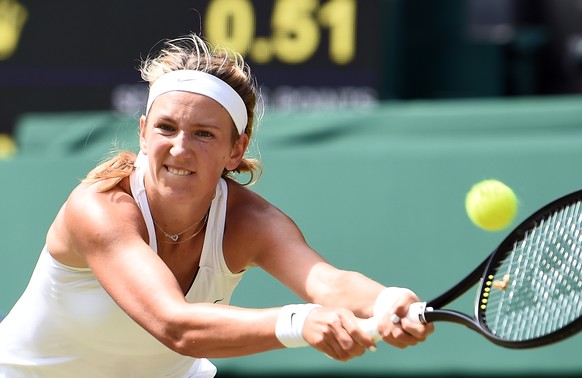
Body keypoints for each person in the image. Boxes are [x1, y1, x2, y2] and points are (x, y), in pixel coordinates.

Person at [0, 33, 433, 377]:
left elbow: (329, 283)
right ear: (143, 133)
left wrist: (386, 300)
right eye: (166, 128)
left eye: (204, 134)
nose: (180, 149)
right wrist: (300, 323)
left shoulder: (251, 221)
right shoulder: (99, 209)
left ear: (235, 149)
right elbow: (177, 326)